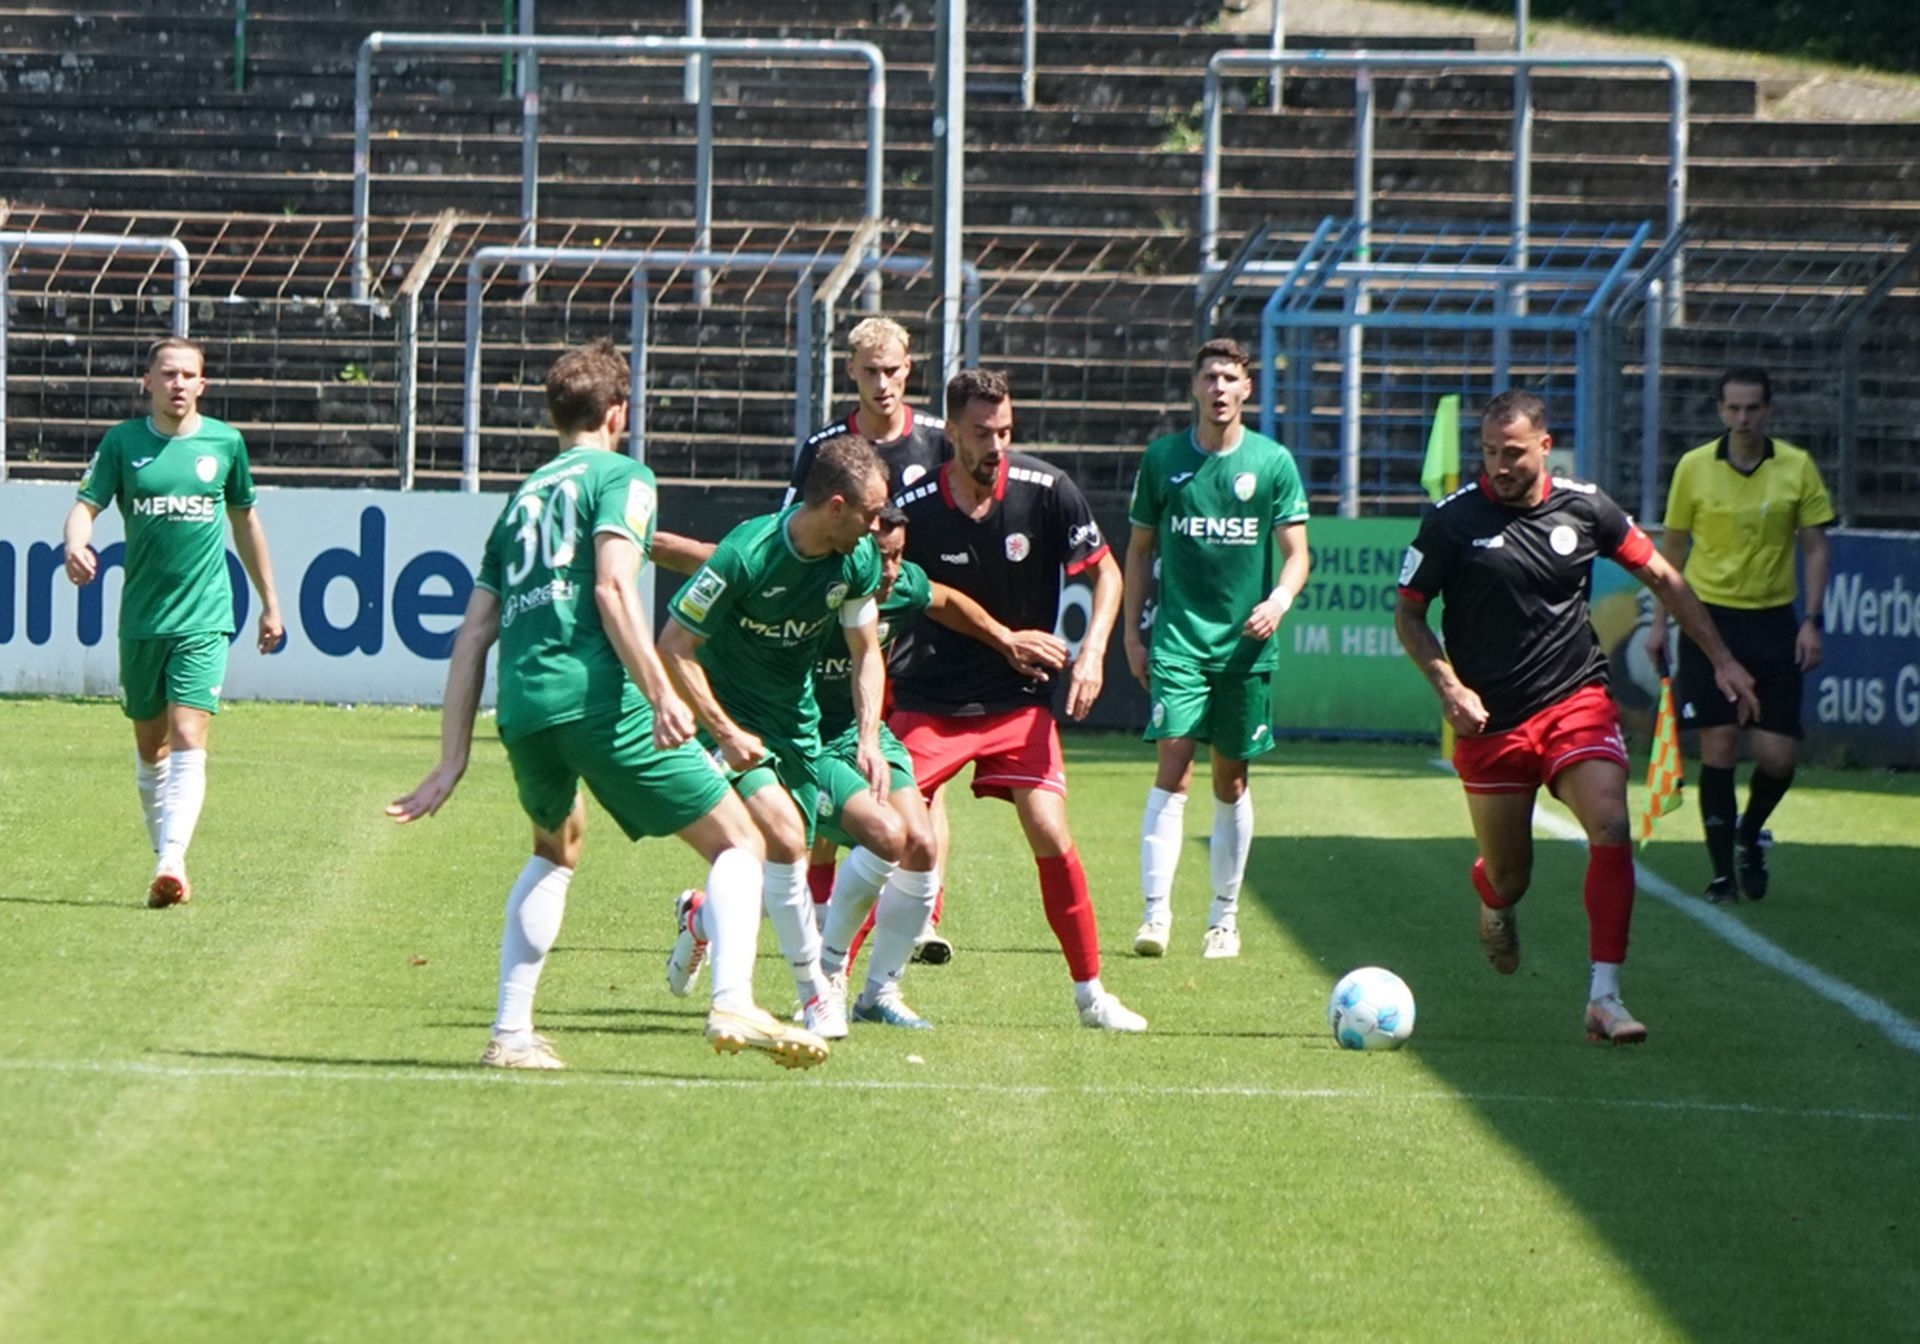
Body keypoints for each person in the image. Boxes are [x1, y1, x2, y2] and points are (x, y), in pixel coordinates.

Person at [387, 339, 826, 1072]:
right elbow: (614, 587)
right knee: (740, 841)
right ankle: (733, 1000)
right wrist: (660, 693)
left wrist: (451, 759)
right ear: (619, 413)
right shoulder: (624, 476)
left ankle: (511, 1034)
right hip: (594, 696)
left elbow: (472, 635)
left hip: (524, 707)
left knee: (556, 848)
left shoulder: (521, 501)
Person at [1394, 390, 1759, 1045]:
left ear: (1545, 446)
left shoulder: (1586, 507)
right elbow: (1409, 614)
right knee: (1511, 877)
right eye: (1489, 452)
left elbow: (1664, 578)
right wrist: (1448, 687)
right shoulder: (1451, 520)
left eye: (1513, 453)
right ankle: (1492, 896)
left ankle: (1604, 997)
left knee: (1611, 824)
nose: (1499, 466)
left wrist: (1723, 659)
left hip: (1575, 700)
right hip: (1491, 720)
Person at [891, 367, 1149, 1032]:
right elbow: (903, 589)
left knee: (1051, 830)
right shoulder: (913, 505)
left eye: (1005, 430)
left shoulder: (1047, 489)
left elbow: (1106, 573)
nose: (997, 444)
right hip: (930, 697)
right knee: (891, 835)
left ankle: (1091, 995)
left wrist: (1092, 652)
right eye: (982, 433)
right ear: (951, 433)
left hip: (1017, 699)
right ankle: (851, 985)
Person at [657, 434, 898, 1043]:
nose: (878, 528)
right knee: (786, 840)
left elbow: (865, 651)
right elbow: (674, 647)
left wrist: (868, 737)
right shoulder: (746, 554)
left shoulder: (857, 561)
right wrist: (725, 731)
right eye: (871, 514)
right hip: (728, 720)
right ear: (836, 507)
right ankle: (815, 993)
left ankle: (700, 920)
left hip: (799, 728)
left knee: (784, 864)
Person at [812, 506, 1068, 1009]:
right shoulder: (816, 580)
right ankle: (719, 923)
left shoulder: (900, 584)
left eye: (899, 556)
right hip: (801, 734)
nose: (891, 570)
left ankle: (876, 993)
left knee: (919, 844)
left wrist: (1004, 638)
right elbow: (722, 565)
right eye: (882, 556)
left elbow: (945, 599)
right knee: (791, 846)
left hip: (859, 733)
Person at [63, 337, 284, 908]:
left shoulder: (225, 443)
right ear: (148, 382)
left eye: (189, 375)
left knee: (188, 733)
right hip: (142, 619)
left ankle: (172, 860)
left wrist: (270, 601)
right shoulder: (123, 443)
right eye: (168, 374)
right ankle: (166, 856)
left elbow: (246, 523)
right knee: (150, 746)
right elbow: (85, 506)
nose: (178, 383)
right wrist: (75, 545)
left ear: (202, 384)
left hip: (205, 615)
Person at [1122, 337, 1311, 960]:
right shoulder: (1163, 460)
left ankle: (1223, 918)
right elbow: (1139, 552)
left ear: (1246, 388)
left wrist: (1278, 601)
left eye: (1230, 378)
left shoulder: (1272, 462)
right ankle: (1155, 915)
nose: (1220, 388)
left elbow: (1297, 555)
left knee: (1230, 781)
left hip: (1244, 650)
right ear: (1194, 387)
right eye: (1210, 377)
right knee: (1173, 765)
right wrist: (1132, 633)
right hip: (1178, 641)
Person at [1643, 367, 1834, 903]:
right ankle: (1722, 873)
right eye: (1733, 408)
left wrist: (1811, 620)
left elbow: (1815, 546)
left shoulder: (1796, 466)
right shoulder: (1694, 467)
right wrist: (1659, 622)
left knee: (1777, 758)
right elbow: (1672, 550)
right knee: (1720, 742)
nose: (1743, 418)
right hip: (1708, 620)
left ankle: (1750, 833)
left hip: (1773, 622)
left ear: (1767, 410)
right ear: (1720, 411)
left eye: (1752, 408)